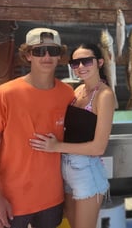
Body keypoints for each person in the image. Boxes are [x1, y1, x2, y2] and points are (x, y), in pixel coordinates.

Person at [0, 28, 75, 228]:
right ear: (27, 55)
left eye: (53, 50)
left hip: (53, 199)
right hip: (11, 201)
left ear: (60, 55)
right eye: (39, 51)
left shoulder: (67, 94)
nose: (47, 56)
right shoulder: (4, 94)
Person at [29, 43, 115, 228]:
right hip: (65, 169)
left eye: (86, 61)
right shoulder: (77, 91)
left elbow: (98, 147)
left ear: (99, 62)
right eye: (75, 63)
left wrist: (56, 146)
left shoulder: (105, 95)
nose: (81, 67)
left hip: (86, 171)